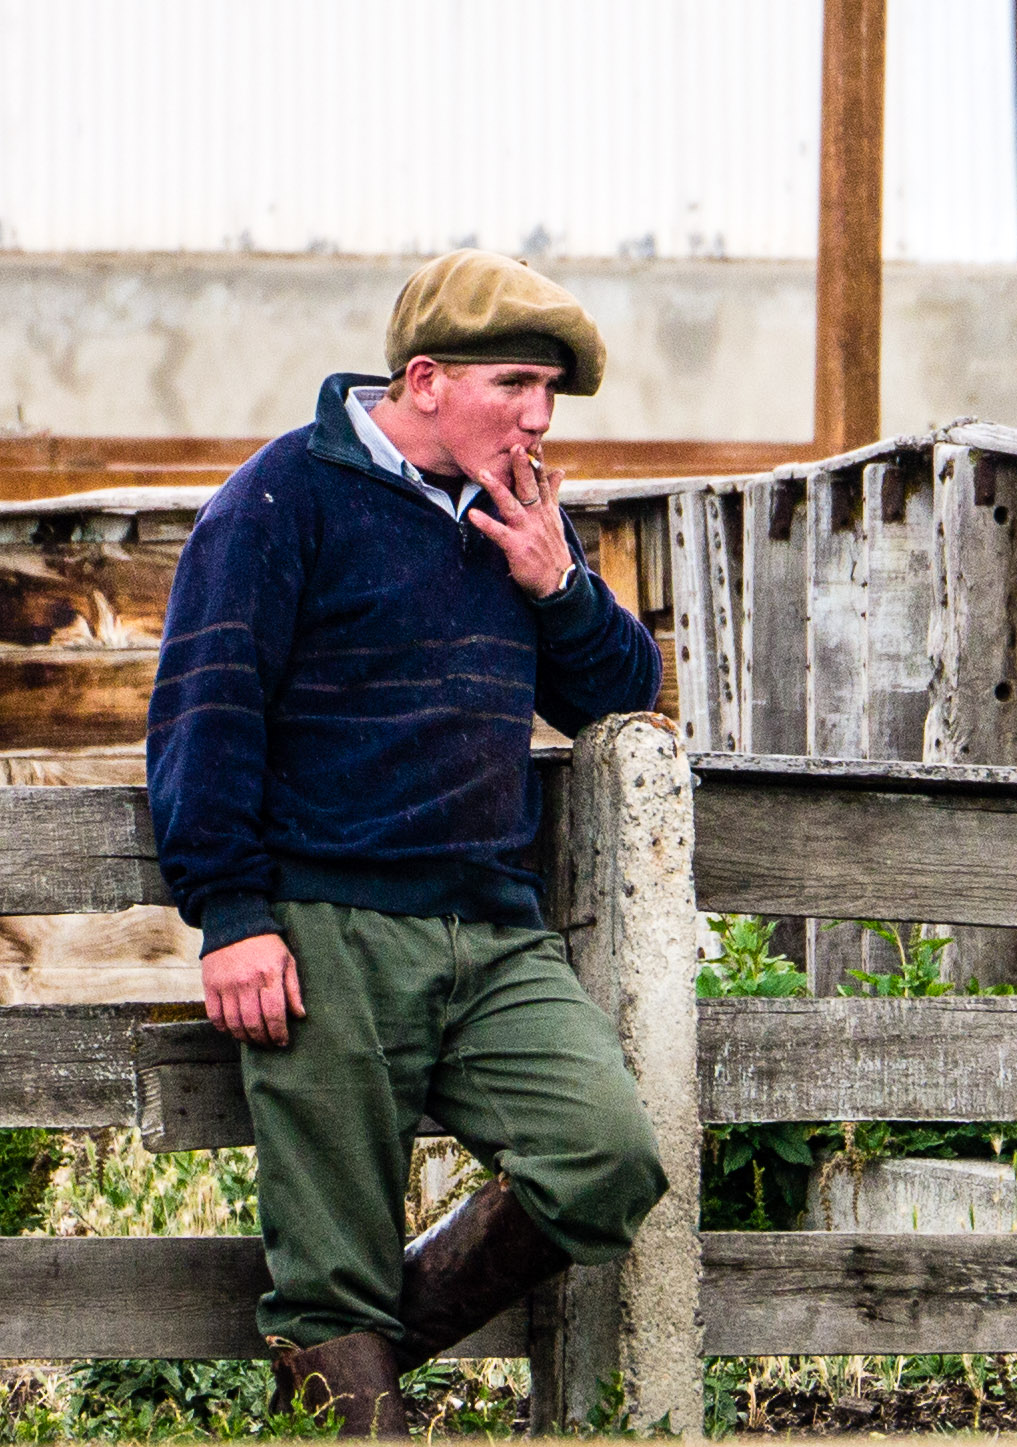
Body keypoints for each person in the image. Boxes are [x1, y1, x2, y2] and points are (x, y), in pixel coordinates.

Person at [148, 250, 667, 1437]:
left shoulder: (524, 514)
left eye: (551, 392)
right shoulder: (281, 497)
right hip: (326, 935)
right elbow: (204, 709)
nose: (539, 417)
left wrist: (558, 586)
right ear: (425, 378)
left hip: (495, 935)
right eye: (518, 384)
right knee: (329, 1267)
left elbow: (622, 702)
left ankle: (331, 1378)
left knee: (607, 1157)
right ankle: (348, 1390)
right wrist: (231, 914)